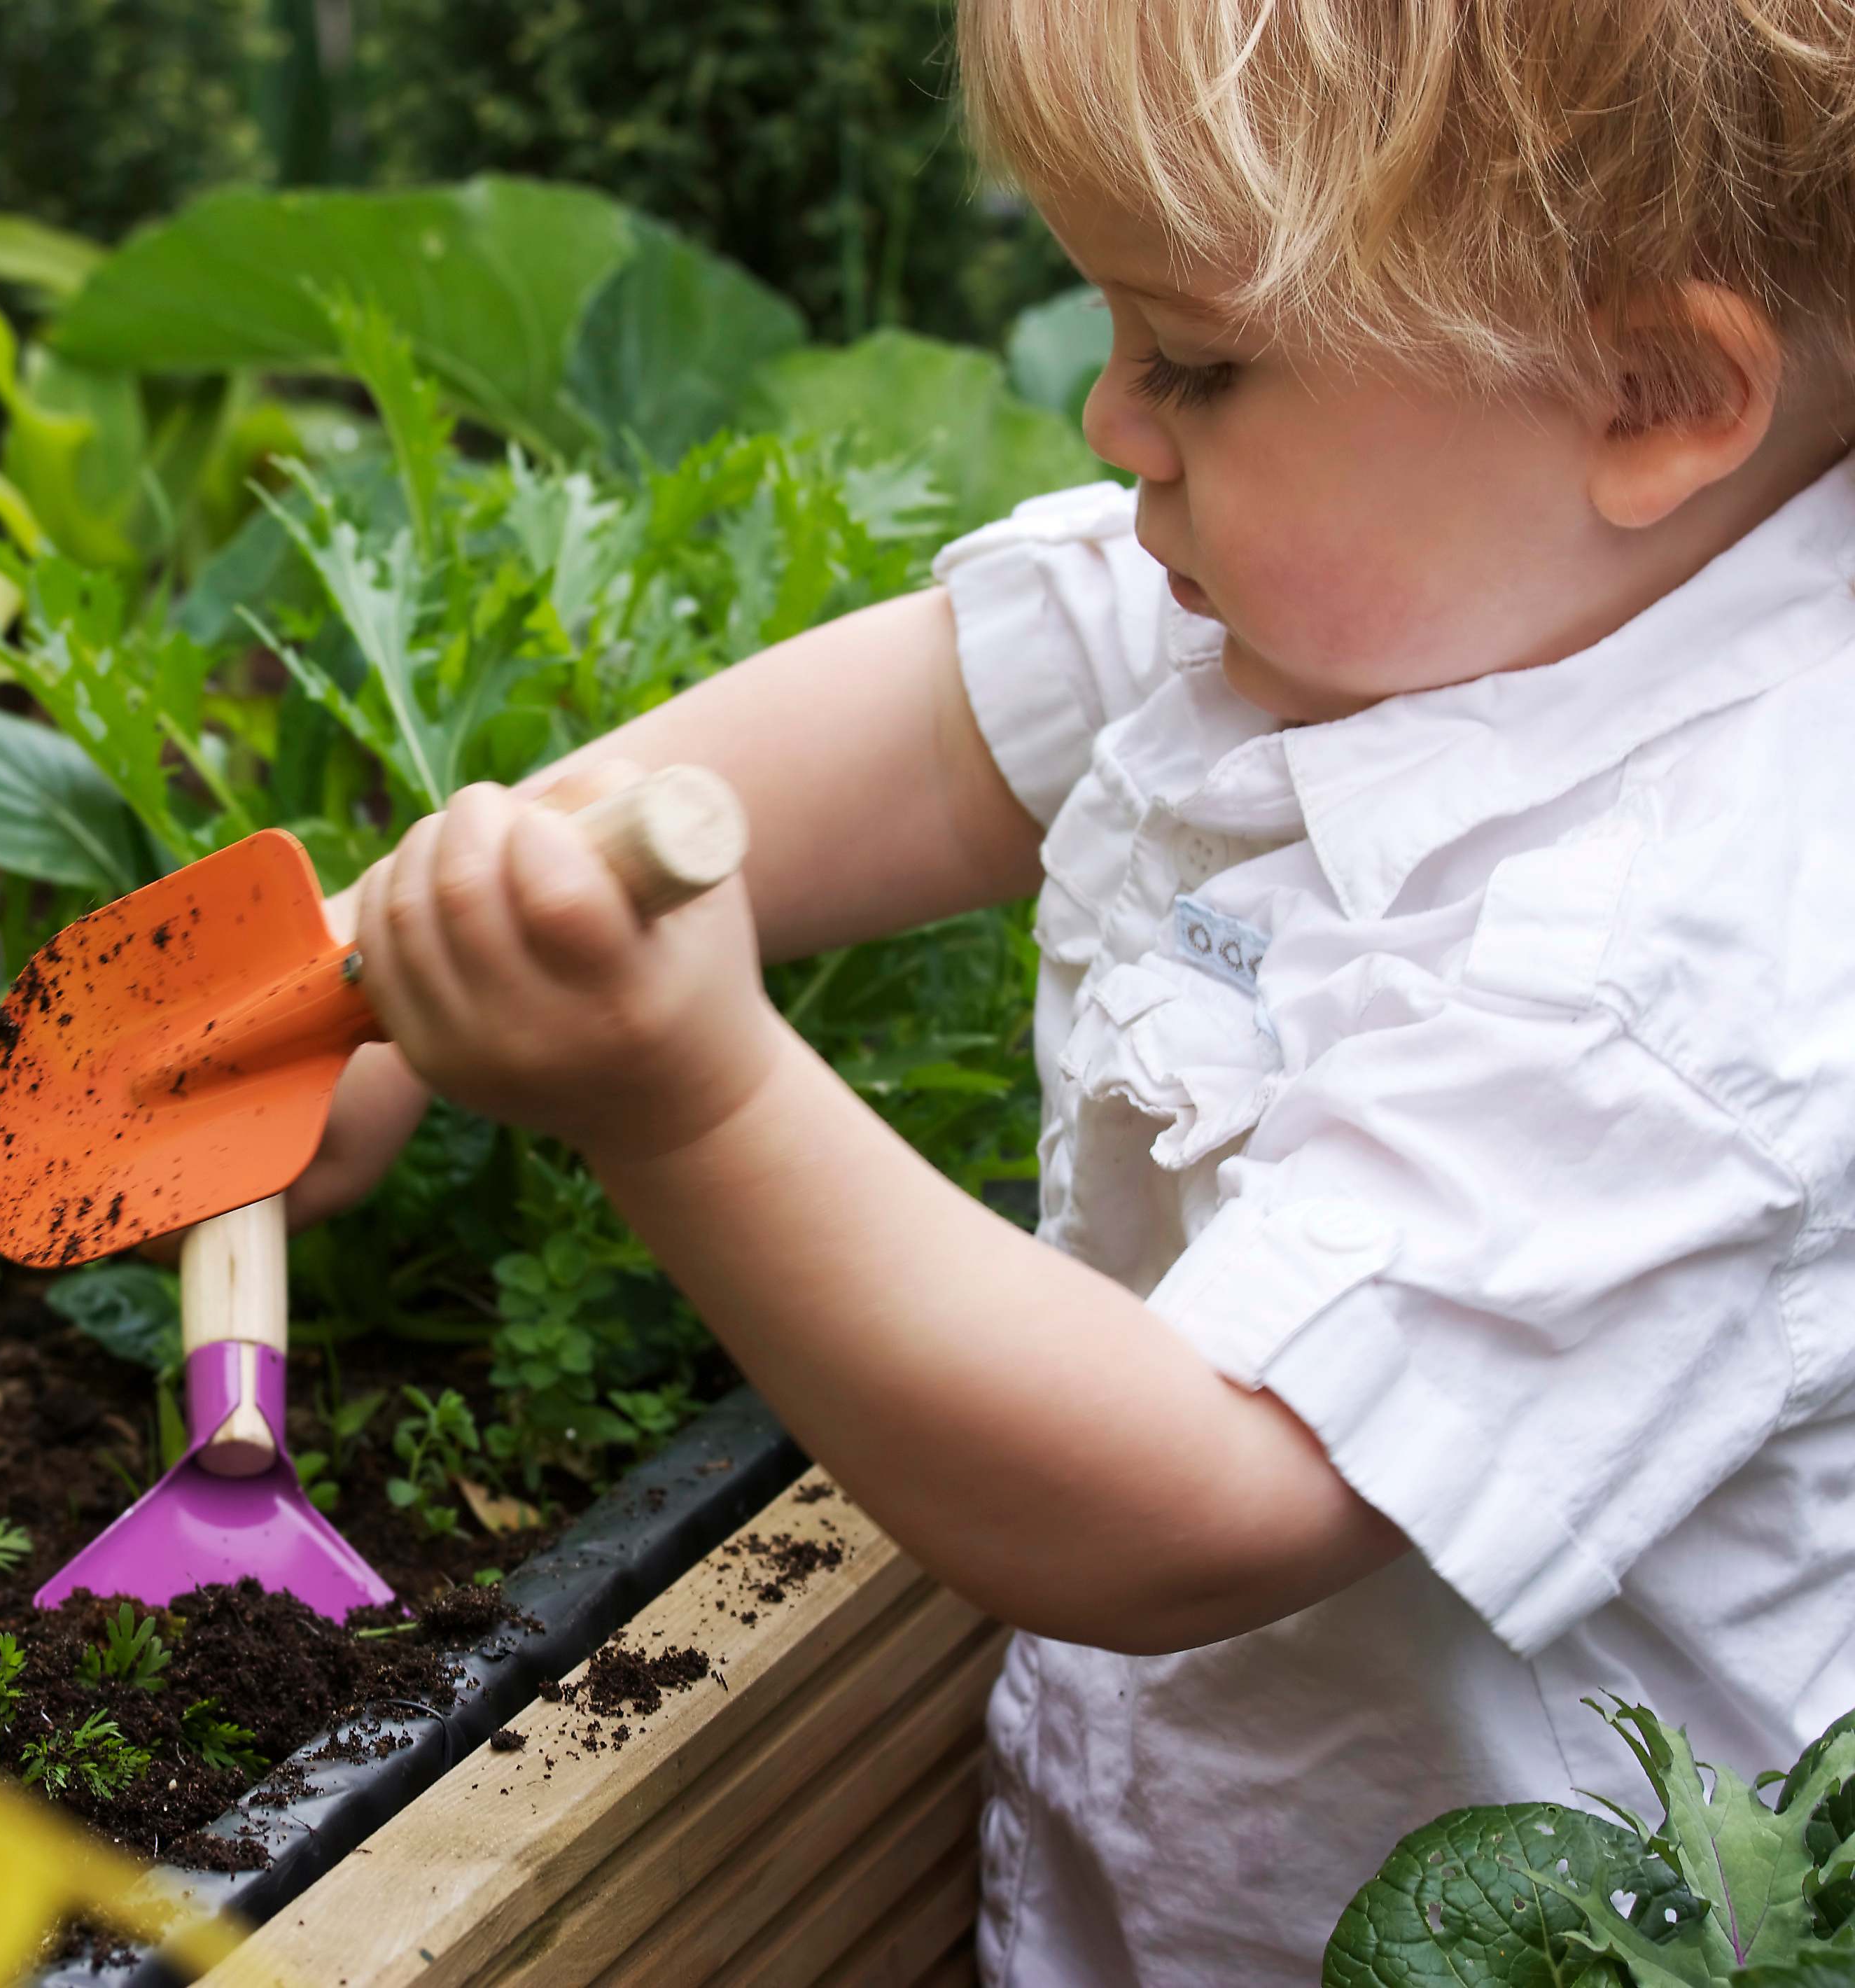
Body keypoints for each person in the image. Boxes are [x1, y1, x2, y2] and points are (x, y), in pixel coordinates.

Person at [274, 3, 1855, 1979]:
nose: (1114, 427)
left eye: (1193, 360)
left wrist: (680, 1099)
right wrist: (381, 962)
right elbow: (943, 734)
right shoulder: (1397, 582)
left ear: (1649, 392)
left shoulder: (1703, 955)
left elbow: (1188, 1503)